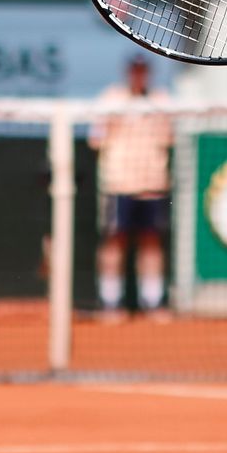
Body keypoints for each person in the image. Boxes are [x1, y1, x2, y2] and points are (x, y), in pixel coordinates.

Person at [87, 55, 172, 318]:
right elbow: (95, 140)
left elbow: (169, 139)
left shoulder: (161, 100)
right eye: (134, 71)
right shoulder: (111, 99)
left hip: (152, 183)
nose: (138, 75)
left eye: (143, 71)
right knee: (115, 241)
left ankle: (153, 302)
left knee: (151, 241)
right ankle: (111, 302)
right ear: (127, 72)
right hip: (119, 184)